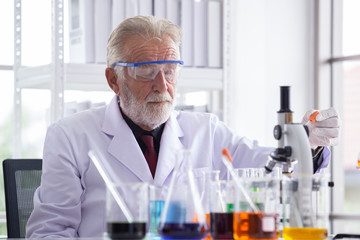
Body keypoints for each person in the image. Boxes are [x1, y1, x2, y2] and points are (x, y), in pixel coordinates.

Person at [26, 15, 340, 238]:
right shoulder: (70, 135)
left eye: (170, 70)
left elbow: (269, 170)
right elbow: (49, 231)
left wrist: (306, 142)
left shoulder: (207, 130)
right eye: (147, 71)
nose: (162, 85)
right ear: (113, 80)